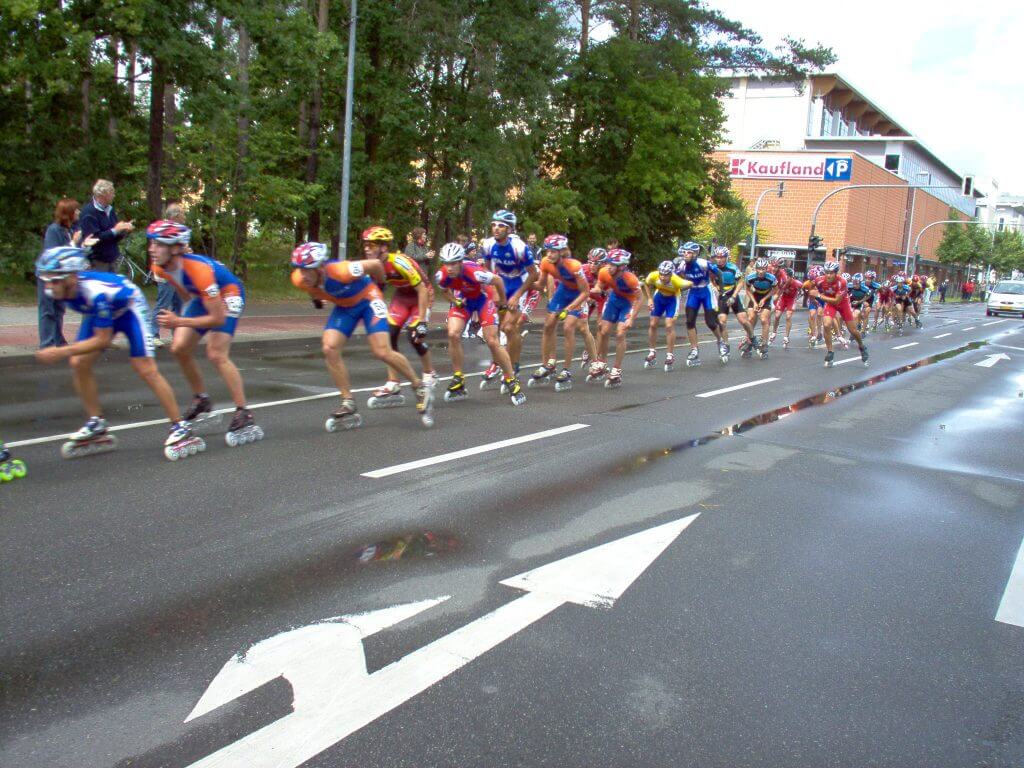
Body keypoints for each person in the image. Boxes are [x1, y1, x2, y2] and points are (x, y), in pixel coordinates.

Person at [32, 246, 202, 460]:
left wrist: (61, 351)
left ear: (72, 277)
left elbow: (102, 340)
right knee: (79, 363)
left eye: (55, 280)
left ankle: (179, 425)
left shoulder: (95, 292)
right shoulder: (62, 289)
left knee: (145, 368)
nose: (49, 286)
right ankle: (97, 422)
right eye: (47, 280)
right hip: (102, 313)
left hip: (129, 309)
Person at [290, 241, 435, 428]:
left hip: (368, 300)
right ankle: (348, 402)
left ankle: (419, 387)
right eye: (300, 269)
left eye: (307, 269)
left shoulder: (342, 270)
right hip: (345, 306)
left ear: (320, 267)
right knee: (329, 347)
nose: (303, 274)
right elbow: (310, 289)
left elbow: (375, 265)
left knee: (382, 351)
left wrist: (381, 284)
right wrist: (316, 299)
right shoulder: (299, 279)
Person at [148, 220, 263, 446]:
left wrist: (180, 320)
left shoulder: (199, 271)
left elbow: (218, 318)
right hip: (202, 296)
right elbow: (185, 292)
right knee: (179, 348)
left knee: (216, 353)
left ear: (175, 248)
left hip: (228, 293)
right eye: (151, 243)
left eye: (158, 244)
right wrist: (184, 319)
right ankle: (201, 398)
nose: (152, 249)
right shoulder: (158, 267)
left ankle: (243, 411)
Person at [434, 242, 525, 405]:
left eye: (453, 263)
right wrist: (455, 301)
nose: (449, 268)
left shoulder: (475, 273)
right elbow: (444, 291)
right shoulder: (441, 276)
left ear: (461, 262)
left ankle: (511, 379)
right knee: (453, 334)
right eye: (446, 263)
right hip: (465, 300)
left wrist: (503, 304)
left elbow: (498, 281)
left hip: (484, 299)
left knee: (492, 341)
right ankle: (458, 378)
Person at [361, 226, 437, 405]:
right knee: (388, 336)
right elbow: (376, 291)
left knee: (415, 336)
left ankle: (429, 373)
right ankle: (393, 382)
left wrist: (423, 322)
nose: (366, 249)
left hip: (422, 294)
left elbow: (422, 290)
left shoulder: (400, 262)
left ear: (384, 247)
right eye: (365, 245)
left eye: (371, 245)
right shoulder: (373, 266)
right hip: (402, 297)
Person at [478, 209, 538, 383]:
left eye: (501, 226)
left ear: (510, 229)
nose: (496, 228)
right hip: (502, 283)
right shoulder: (488, 244)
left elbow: (534, 275)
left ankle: (514, 365)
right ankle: (498, 362)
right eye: (494, 225)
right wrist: (494, 290)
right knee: (495, 328)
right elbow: (487, 269)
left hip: (520, 285)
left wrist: (517, 295)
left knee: (509, 328)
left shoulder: (520, 247)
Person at [531, 234, 595, 391]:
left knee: (568, 328)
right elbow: (540, 284)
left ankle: (566, 369)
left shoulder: (574, 266)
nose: (549, 254)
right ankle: (546, 364)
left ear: (561, 251)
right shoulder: (546, 262)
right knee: (548, 325)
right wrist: (523, 283)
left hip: (577, 296)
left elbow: (585, 292)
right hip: (563, 292)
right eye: (547, 251)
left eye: (553, 251)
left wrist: (569, 308)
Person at [39, 198, 93, 348]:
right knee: (48, 309)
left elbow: (73, 254)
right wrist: (74, 243)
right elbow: (54, 254)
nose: (78, 212)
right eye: (76, 210)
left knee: (59, 309)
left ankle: (58, 340)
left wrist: (84, 247)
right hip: (49, 275)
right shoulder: (54, 230)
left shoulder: (71, 229)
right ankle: (47, 343)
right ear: (68, 212)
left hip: (63, 276)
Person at [590, 248, 642, 387]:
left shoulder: (630, 279)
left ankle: (617, 369)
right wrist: (593, 290)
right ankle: (602, 363)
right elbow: (599, 286)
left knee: (620, 333)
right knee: (603, 330)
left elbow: (639, 299)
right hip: (613, 300)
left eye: (612, 265)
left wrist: (631, 318)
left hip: (628, 303)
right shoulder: (604, 272)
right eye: (608, 263)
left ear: (621, 267)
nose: (609, 267)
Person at [674, 241, 726, 366]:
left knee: (710, 322)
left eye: (689, 252)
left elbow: (719, 273)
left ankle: (720, 341)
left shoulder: (703, 263)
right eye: (685, 252)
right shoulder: (682, 265)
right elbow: (675, 276)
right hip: (693, 292)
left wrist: (722, 290)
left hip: (706, 291)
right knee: (690, 321)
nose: (686, 254)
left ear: (696, 254)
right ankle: (694, 349)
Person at [809, 262, 868, 367]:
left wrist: (818, 295)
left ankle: (862, 346)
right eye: (826, 272)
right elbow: (811, 289)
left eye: (831, 273)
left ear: (836, 273)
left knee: (853, 330)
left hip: (843, 303)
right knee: (826, 324)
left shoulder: (842, 282)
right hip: (830, 304)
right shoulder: (819, 280)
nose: (828, 275)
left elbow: (836, 301)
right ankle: (830, 352)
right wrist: (813, 300)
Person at [642, 260, 692, 371]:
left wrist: (684, 287)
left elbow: (691, 283)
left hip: (672, 300)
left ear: (671, 274)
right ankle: (652, 352)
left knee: (669, 325)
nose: (663, 277)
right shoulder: (653, 275)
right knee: (653, 324)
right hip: (659, 297)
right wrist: (649, 299)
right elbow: (646, 284)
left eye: (666, 275)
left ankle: (670, 355)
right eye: (661, 274)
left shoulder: (677, 280)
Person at [149, 203, 186, 347]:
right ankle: (153, 334)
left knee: (179, 303)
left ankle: (178, 334)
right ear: (176, 216)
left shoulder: (178, 230)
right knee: (163, 304)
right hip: (166, 273)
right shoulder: (163, 230)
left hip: (177, 272)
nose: (184, 217)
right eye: (182, 214)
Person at [78, 179, 133, 273]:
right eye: (111, 193)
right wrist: (115, 230)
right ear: (102, 195)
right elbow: (94, 239)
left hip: (112, 259)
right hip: (97, 261)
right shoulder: (89, 213)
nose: (114, 195)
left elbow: (113, 237)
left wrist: (124, 230)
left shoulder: (110, 210)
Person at [743, 257, 777, 359]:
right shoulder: (750, 277)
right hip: (755, 296)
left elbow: (775, 290)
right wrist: (754, 302)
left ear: (767, 269)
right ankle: (749, 341)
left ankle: (764, 344)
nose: (761, 271)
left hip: (766, 297)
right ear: (756, 268)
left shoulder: (771, 278)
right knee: (750, 319)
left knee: (763, 319)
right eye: (759, 269)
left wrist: (764, 299)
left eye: (763, 269)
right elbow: (748, 290)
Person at [769, 266, 801, 349]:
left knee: (788, 316)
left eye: (787, 277)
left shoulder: (797, 284)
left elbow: (804, 290)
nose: (785, 279)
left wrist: (797, 298)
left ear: (791, 277)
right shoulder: (782, 283)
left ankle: (786, 336)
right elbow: (778, 294)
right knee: (777, 316)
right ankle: (774, 332)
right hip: (783, 299)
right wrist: (771, 301)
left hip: (791, 300)